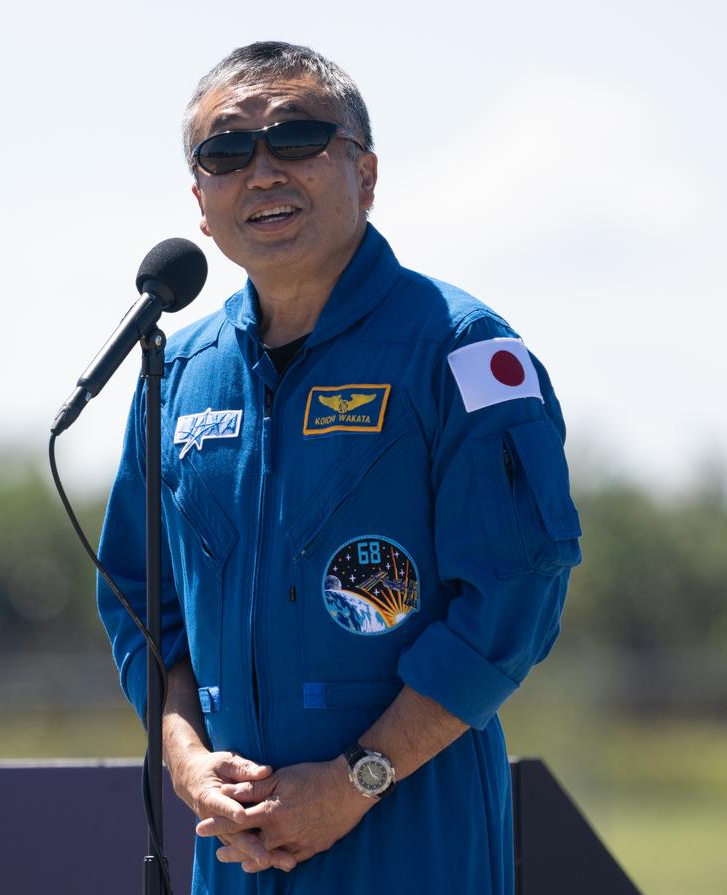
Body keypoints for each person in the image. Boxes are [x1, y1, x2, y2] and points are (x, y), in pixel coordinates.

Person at [96, 41, 581, 894]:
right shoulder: (175, 373)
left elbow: (514, 597)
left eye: (297, 138)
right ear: (201, 204)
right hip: (237, 848)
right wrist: (186, 760)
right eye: (227, 150)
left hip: (413, 838)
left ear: (367, 172)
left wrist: (358, 779)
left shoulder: (461, 351)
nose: (264, 169)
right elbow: (143, 603)